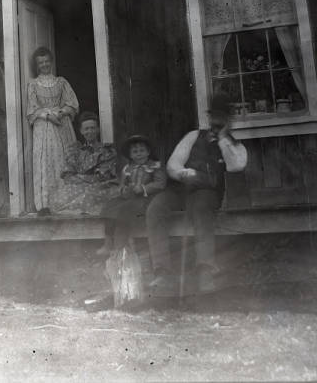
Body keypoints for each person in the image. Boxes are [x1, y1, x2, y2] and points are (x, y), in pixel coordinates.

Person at [145, 94, 247, 295]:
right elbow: (173, 164)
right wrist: (183, 173)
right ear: (209, 118)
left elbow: (236, 166)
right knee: (156, 207)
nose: (217, 122)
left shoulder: (235, 145)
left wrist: (224, 139)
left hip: (207, 191)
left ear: (229, 120)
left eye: (222, 118)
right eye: (214, 117)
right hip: (182, 187)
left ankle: (205, 271)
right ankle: (162, 272)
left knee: (201, 206)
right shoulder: (193, 136)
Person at [26, 47, 79, 214]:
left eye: (46, 61)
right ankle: (46, 204)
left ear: (51, 61)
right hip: (44, 127)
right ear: (37, 65)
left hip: (62, 124)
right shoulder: (33, 85)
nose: (44, 65)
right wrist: (48, 116)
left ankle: (67, 201)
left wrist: (61, 113)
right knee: (47, 161)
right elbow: (32, 110)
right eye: (40, 62)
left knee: (64, 160)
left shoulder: (61, 82)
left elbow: (72, 103)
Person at [99, 135, 167, 256]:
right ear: (130, 155)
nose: (139, 154)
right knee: (110, 206)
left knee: (124, 210)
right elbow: (122, 184)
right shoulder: (128, 168)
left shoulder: (155, 166)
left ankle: (119, 247)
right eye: (135, 152)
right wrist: (123, 190)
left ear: (148, 152)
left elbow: (160, 183)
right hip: (130, 197)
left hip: (147, 198)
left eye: (142, 151)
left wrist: (143, 188)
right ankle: (108, 242)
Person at [50, 111, 119, 215]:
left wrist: (79, 176)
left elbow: (102, 177)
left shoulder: (107, 151)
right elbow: (68, 176)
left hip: (101, 186)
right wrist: (83, 178)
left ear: (98, 129)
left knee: (90, 195)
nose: (90, 131)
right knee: (59, 197)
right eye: (86, 129)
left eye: (92, 128)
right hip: (78, 187)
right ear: (81, 131)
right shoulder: (75, 151)